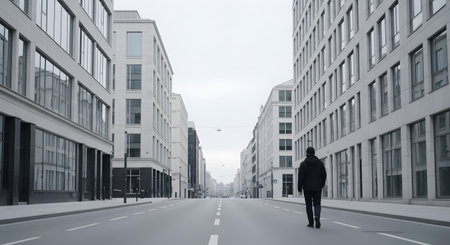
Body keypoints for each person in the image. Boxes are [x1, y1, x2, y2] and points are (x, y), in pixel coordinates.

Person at [298, 147, 327, 228]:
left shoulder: (303, 164)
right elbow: (324, 175)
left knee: (309, 205)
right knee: (317, 203)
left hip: (307, 188)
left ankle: (311, 223)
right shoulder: (320, 163)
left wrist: (299, 189)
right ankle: (317, 217)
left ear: (306, 153)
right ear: (314, 153)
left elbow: (300, 177)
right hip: (317, 187)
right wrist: (321, 185)